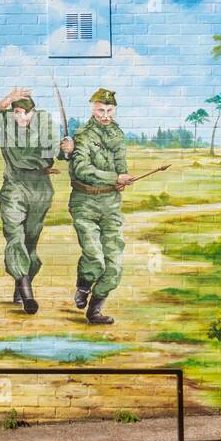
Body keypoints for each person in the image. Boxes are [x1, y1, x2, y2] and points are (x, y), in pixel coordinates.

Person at [0, 87, 74, 313]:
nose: (21, 117)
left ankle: (21, 283)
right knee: (14, 235)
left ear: (34, 112)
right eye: (17, 112)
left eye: (26, 113)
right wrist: (3, 103)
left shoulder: (46, 123)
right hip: (14, 184)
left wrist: (66, 150)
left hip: (40, 188)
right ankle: (27, 294)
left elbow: (56, 153)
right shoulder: (5, 119)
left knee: (30, 242)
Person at [68, 88, 130, 325]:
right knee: (95, 258)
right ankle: (83, 286)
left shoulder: (117, 133)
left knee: (114, 266)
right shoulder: (82, 135)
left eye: (110, 110)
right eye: (101, 110)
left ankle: (95, 310)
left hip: (111, 205)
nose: (105, 115)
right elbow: (82, 169)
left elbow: (121, 164)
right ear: (92, 109)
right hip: (85, 203)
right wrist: (114, 178)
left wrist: (123, 177)